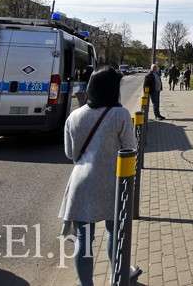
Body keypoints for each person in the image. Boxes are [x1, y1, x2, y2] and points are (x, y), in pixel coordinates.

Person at [59, 66, 141, 285]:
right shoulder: (120, 114)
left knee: (84, 239)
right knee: (115, 232)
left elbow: (69, 153)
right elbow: (130, 149)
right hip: (112, 181)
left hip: (81, 183)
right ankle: (119, 274)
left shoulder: (74, 116)